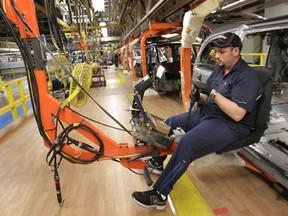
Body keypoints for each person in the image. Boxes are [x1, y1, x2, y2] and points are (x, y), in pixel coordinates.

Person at [131, 32, 264, 210]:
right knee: (168, 123)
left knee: (186, 144)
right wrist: (199, 96)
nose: (216, 56)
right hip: (207, 112)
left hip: (229, 124)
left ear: (236, 51)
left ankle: (159, 195)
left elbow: (237, 114)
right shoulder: (219, 70)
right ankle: (157, 161)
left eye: (221, 51)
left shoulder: (246, 77)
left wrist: (211, 93)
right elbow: (208, 97)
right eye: (216, 51)